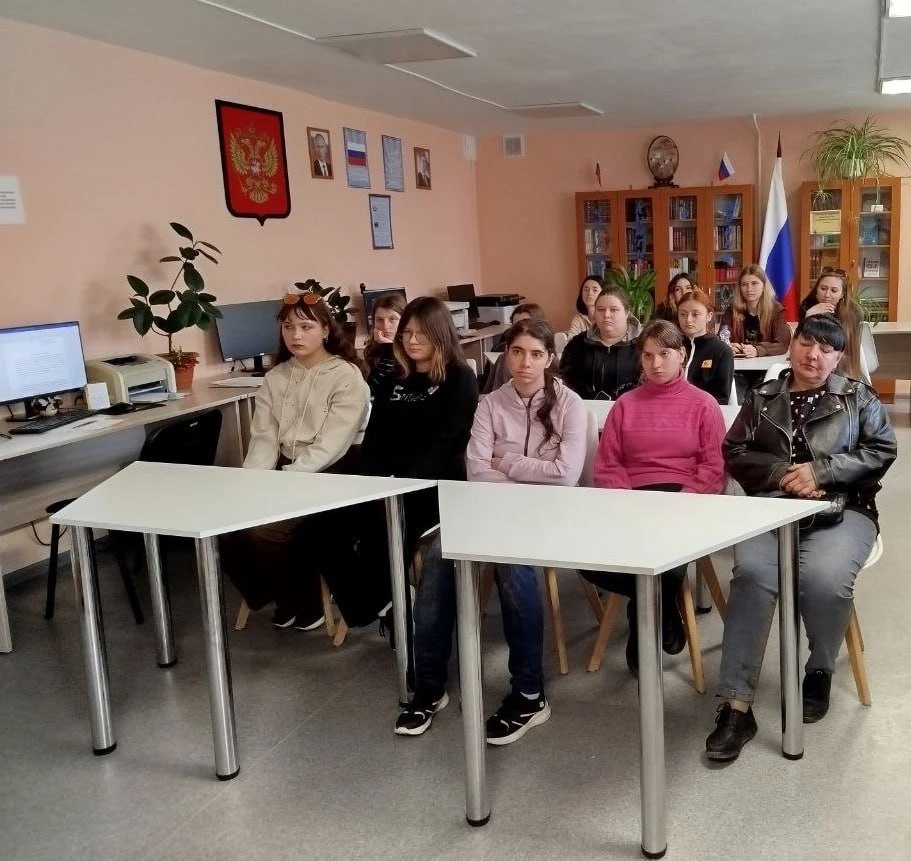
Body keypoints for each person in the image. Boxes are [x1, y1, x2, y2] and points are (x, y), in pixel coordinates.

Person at [705, 314, 896, 763]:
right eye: (807, 344)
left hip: (843, 507)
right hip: (773, 507)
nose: (814, 355)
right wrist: (783, 475)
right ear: (792, 346)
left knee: (823, 577)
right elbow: (734, 450)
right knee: (751, 575)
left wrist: (821, 472)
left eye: (826, 350)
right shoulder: (762, 396)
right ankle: (736, 706)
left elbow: (881, 450)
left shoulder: (858, 397)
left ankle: (820, 669)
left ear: (839, 357)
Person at [395, 320, 587, 742]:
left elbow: (566, 475)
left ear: (549, 358)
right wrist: (522, 471)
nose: (525, 362)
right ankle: (429, 687)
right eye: (517, 352)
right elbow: (477, 470)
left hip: (547, 512)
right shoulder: (489, 404)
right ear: (506, 355)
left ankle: (529, 693)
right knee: (439, 557)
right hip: (489, 506)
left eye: (535, 354)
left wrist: (507, 462)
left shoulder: (569, 405)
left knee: (511, 564)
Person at [580, 320, 727, 675]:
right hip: (632, 498)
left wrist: (685, 502)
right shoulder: (625, 405)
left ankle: (641, 625)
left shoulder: (703, 405)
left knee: (666, 551)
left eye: (665, 354)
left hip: (684, 498)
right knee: (585, 558)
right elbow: (608, 463)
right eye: (648, 356)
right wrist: (627, 502)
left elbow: (714, 466)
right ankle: (663, 607)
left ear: (682, 355)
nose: (656, 363)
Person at [223, 290, 370, 629]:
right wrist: (252, 483)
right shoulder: (276, 378)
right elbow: (263, 438)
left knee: (266, 531)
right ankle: (281, 595)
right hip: (286, 469)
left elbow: (332, 445)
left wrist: (285, 480)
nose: (296, 335)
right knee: (227, 527)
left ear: (325, 330)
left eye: (306, 327)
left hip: (333, 472)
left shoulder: (346, 376)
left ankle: (306, 603)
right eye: (288, 327)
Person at [359, 296, 479, 635]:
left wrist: (404, 483)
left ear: (440, 334)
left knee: (384, 528)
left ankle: (395, 609)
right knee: (335, 523)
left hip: (434, 485)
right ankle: (390, 603)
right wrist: (367, 481)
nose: (411, 341)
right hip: (389, 481)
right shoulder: (395, 377)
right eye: (407, 333)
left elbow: (449, 443)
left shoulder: (459, 378)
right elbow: (375, 437)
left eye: (421, 334)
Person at [559, 285, 642, 401]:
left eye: (614, 310)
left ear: (627, 313)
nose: (606, 315)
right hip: (584, 406)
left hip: (631, 406)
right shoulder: (578, 343)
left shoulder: (643, 343)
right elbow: (564, 379)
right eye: (600, 310)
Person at [798, 267, 863, 380]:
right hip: (810, 363)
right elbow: (799, 343)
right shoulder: (806, 307)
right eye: (823, 288)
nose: (827, 295)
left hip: (842, 366)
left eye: (834, 291)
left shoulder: (852, 313)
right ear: (816, 289)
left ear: (842, 294)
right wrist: (808, 317)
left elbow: (848, 348)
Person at [720, 264, 792, 359]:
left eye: (754, 283)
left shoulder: (776, 311)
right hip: (739, 364)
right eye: (744, 284)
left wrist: (758, 350)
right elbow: (721, 338)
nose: (749, 289)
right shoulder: (732, 311)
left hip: (766, 364)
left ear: (763, 286)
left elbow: (782, 344)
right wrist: (727, 346)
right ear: (740, 288)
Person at [677, 288, 735, 404]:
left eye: (695, 314)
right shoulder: (673, 347)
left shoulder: (721, 351)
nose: (688, 319)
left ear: (709, 316)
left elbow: (722, 398)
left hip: (705, 410)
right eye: (683, 314)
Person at [481, 302, 548, 394]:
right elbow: (489, 392)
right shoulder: (503, 358)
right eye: (515, 326)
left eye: (526, 324)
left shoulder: (549, 361)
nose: (521, 330)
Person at [364, 291, 406, 397]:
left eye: (392, 319)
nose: (385, 326)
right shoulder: (373, 350)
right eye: (379, 320)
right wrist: (388, 348)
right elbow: (372, 392)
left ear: (404, 321)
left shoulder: (413, 349)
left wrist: (389, 348)